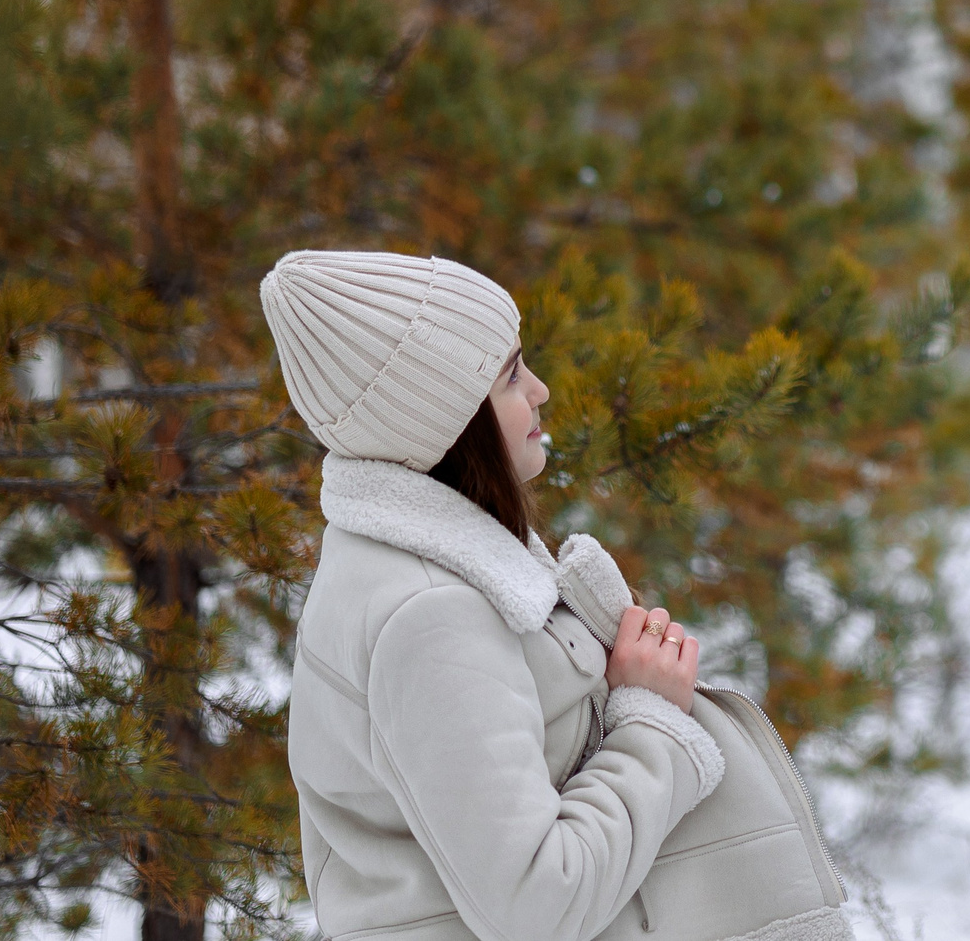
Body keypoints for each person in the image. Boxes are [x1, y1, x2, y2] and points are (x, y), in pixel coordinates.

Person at [266, 250, 849, 941]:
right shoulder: (429, 617)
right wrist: (650, 723)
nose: (540, 389)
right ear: (444, 419)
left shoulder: (411, 565)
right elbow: (539, 904)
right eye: (511, 375)